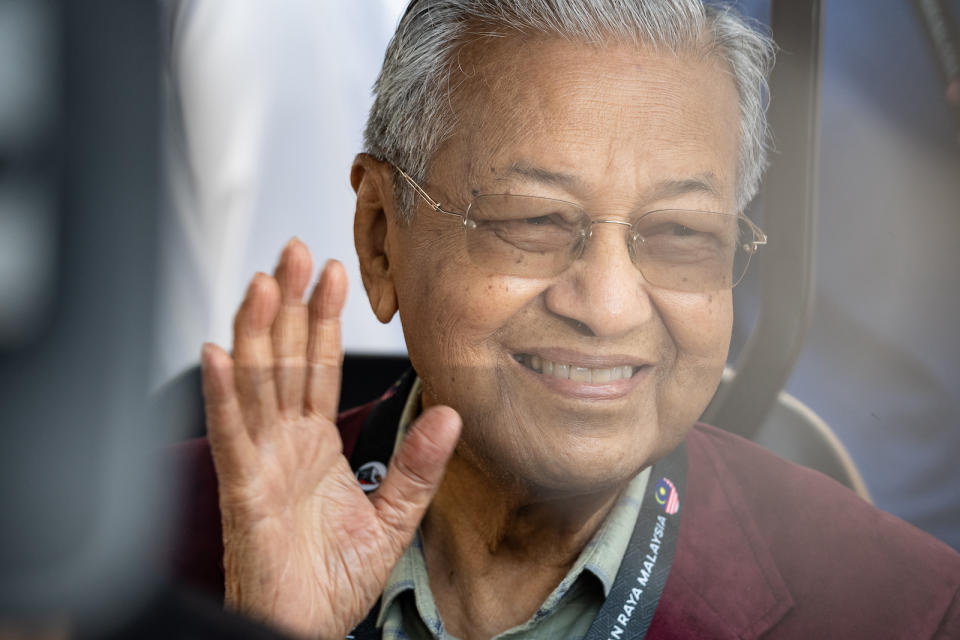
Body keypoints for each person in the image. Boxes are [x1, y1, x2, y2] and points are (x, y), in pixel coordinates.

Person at [187, 1, 960, 638]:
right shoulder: (126, 540)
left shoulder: (902, 610)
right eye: (534, 221)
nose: (609, 306)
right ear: (382, 238)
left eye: (681, 235)